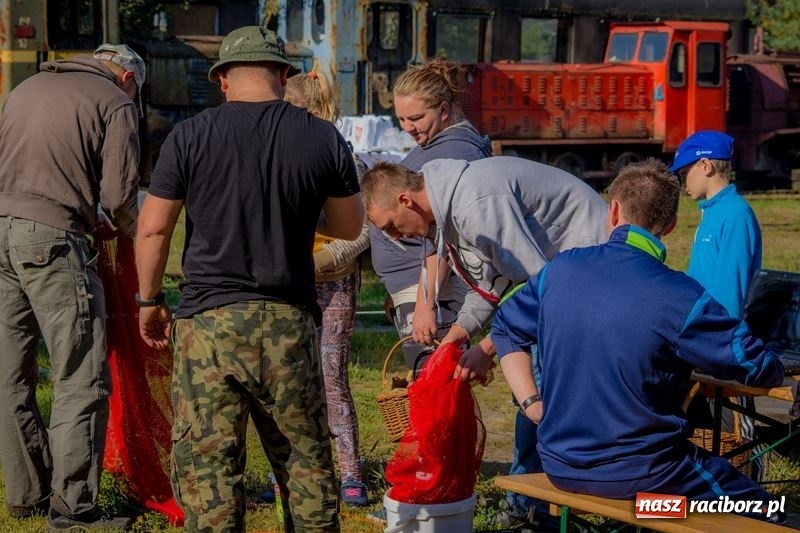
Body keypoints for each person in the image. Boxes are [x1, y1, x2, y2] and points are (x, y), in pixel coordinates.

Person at [135, 25, 363, 532]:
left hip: (209, 327)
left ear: (222, 81)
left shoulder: (189, 136)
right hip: (290, 324)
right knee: (306, 466)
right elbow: (349, 226)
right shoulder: (321, 136)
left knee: (209, 472)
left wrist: (148, 299)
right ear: (284, 75)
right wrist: (303, 215)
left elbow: (152, 230)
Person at [488, 158, 785, 522]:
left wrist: (532, 403)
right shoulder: (680, 295)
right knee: (768, 509)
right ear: (671, 225)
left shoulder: (559, 271)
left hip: (560, 465)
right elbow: (756, 364)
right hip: (647, 475)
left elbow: (504, 328)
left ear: (613, 211)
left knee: (663, 508)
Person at [361, 156, 607, 526]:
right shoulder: (449, 210)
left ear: (406, 201)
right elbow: (491, 283)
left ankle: (546, 504)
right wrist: (456, 337)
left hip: (594, 269)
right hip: (563, 279)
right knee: (534, 392)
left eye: (392, 228)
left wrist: (487, 349)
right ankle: (533, 502)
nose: (398, 238)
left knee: (540, 389)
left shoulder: (474, 205)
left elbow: (539, 288)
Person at [0, 44, 143, 530]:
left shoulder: (25, 88)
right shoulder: (116, 102)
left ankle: (27, 494)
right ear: (128, 79)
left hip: (0, 235)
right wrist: (136, 235)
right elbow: (120, 199)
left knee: (10, 374)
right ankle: (73, 512)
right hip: (51, 243)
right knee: (80, 375)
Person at [368, 57, 492, 373]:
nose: (407, 127)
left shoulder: (457, 152)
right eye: (400, 119)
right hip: (418, 284)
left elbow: (445, 239)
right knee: (433, 381)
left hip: (436, 290)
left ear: (444, 110)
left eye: (415, 118)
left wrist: (424, 301)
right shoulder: (437, 142)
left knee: (434, 379)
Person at [284, 70, 370, 506]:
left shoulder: (345, 158)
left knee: (331, 376)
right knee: (290, 378)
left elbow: (361, 232)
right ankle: (301, 471)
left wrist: (321, 261)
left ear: (311, 111)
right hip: (293, 282)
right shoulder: (285, 151)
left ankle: (351, 471)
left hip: (332, 283)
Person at [671, 130, 764, 479]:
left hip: (719, 350)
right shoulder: (712, 214)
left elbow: (729, 296)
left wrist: (710, 345)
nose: (683, 182)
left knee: (728, 441)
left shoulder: (735, 215)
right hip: (700, 345)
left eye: (685, 172)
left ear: (706, 165)